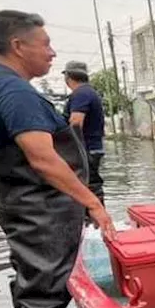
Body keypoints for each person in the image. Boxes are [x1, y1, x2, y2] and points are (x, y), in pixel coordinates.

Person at [0, 9, 113, 308]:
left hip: (19, 203)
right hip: (39, 207)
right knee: (46, 287)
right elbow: (43, 159)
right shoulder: (13, 91)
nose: (52, 52)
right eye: (45, 44)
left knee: (32, 276)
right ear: (18, 46)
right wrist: (94, 203)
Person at [61, 60, 106, 205]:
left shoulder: (81, 94)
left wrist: (69, 149)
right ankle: (94, 222)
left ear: (68, 77)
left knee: (88, 186)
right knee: (88, 185)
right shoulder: (89, 92)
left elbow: (75, 123)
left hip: (85, 149)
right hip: (92, 148)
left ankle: (97, 223)